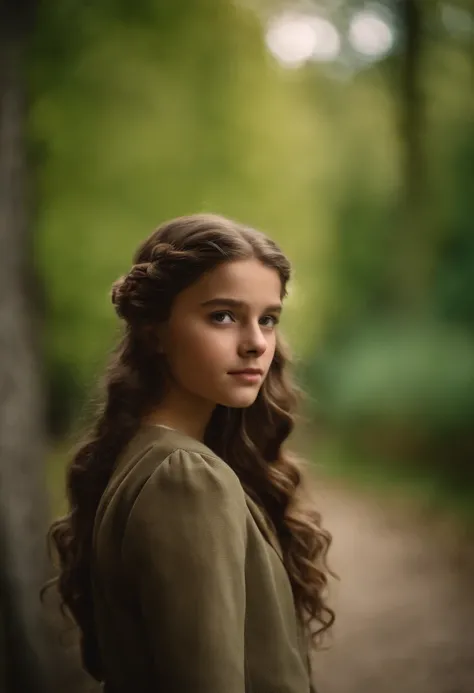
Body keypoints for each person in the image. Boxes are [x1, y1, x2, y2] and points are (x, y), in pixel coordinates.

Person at [45, 213, 335, 692]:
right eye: (223, 315)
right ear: (154, 331)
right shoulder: (185, 478)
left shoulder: (149, 456)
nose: (256, 344)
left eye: (268, 319)